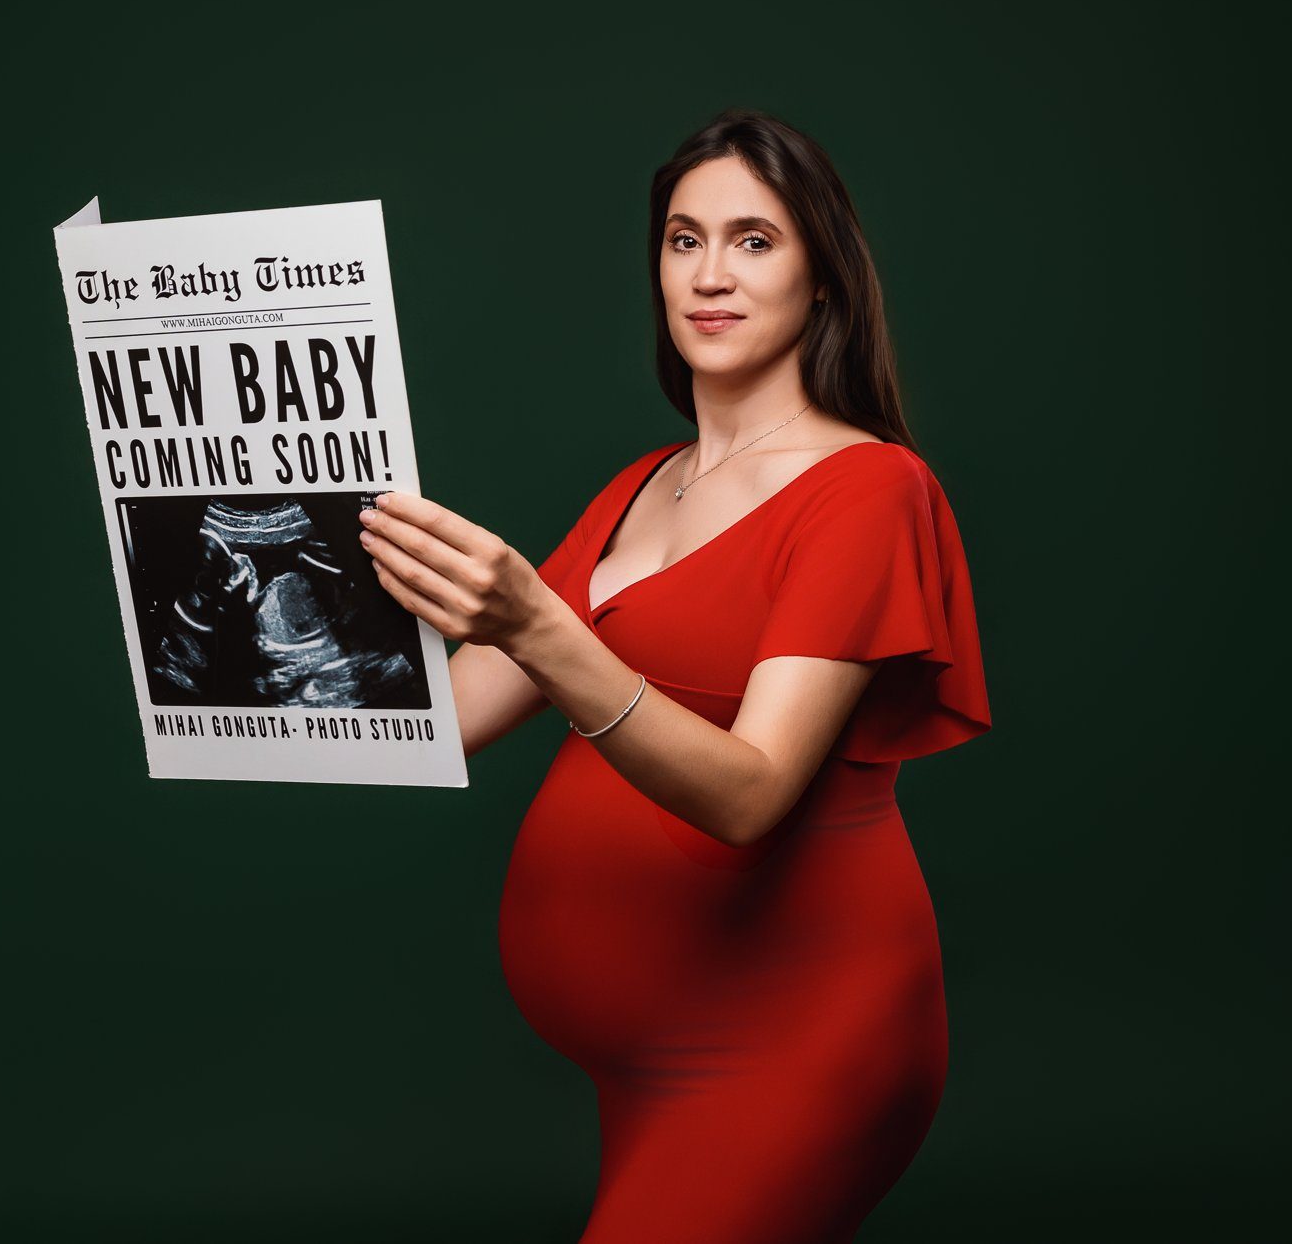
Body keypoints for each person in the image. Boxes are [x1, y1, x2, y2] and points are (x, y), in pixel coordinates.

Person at [357, 109, 991, 1243]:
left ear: (823, 278)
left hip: (791, 1035)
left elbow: (751, 792)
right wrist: (235, 596)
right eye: (682, 239)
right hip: (644, 1055)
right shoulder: (637, 486)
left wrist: (543, 627)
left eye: (754, 240)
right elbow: (436, 724)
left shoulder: (868, 490)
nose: (709, 273)